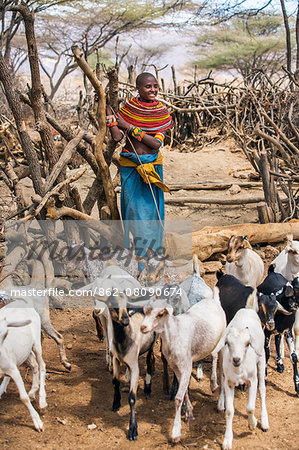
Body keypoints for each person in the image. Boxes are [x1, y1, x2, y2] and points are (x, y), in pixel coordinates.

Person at [106, 72, 173, 260]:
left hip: (152, 167)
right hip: (131, 168)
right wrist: (107, 111)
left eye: (155, 86)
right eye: (148, 86)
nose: (153, 90)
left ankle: (152, 256)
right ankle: (137, 256)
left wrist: (130, 128)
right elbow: (117, 137)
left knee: (152, 215)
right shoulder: (128, 109)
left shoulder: (161, 112)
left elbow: (156, 143)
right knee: (134, 214)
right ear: (138, 89)